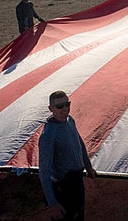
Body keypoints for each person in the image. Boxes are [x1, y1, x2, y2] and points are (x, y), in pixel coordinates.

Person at [39, 90, 97, 220]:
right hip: (63, 187)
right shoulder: (48, 135)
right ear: (51, 109)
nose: (65, 109)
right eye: (59, 106)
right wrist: (52, 203)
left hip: (76, 182)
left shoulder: (70, 120)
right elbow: (44, 171)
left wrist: (88, 166)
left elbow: (79, 143)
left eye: (67, 104)